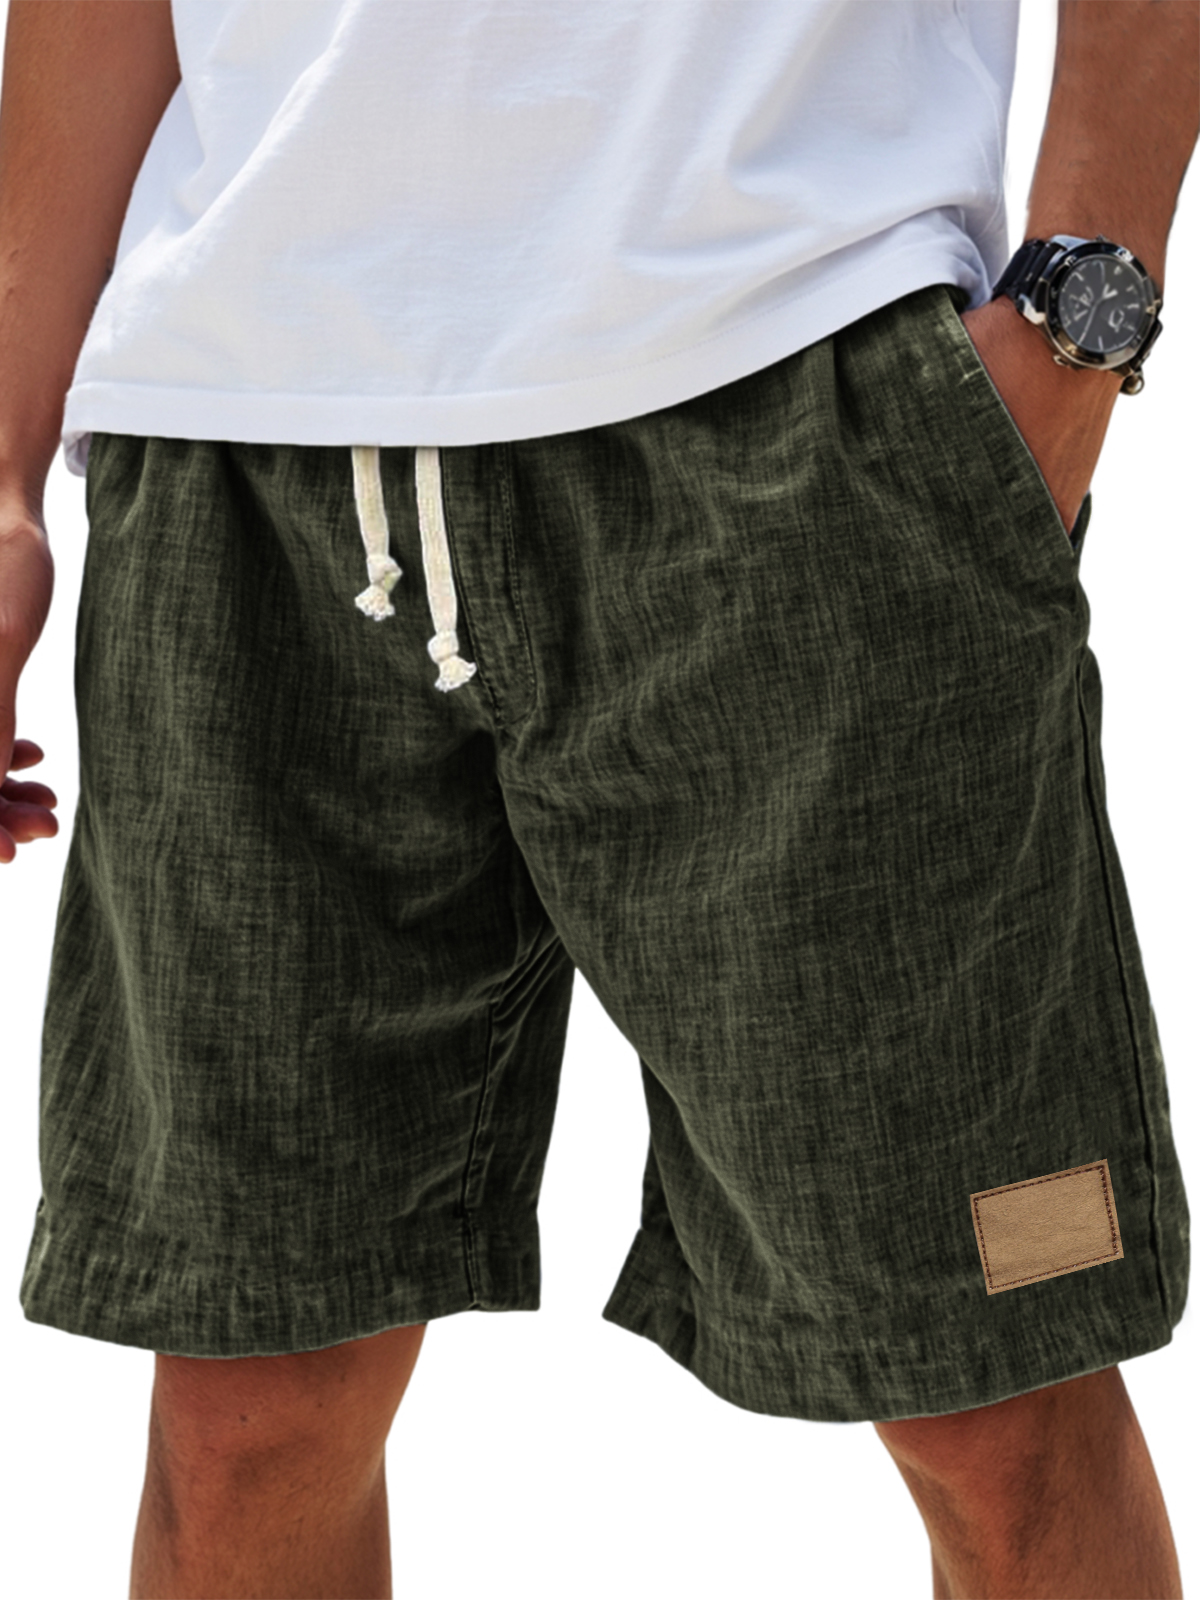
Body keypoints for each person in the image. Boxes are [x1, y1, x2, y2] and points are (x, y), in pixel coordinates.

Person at [0, 1, 1194, 1595]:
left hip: (796, 390)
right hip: (241, 451)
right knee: (243, 1415)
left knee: (993, 1386)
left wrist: (1075, 322)